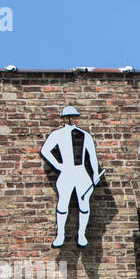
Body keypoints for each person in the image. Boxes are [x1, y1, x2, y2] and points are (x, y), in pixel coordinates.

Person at [39, 106, 102, 247]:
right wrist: (57, 165)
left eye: (74, 116)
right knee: (63, 203)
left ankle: (81, 234)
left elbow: (92, 156)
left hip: (81, 172)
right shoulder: (58, 134)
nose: (71, 119)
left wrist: (96, 173)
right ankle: (60, 234)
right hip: (66, 171)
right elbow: (45, 150)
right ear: (63, 119)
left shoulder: (85, 136)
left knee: (84, 203)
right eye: (68, 116)